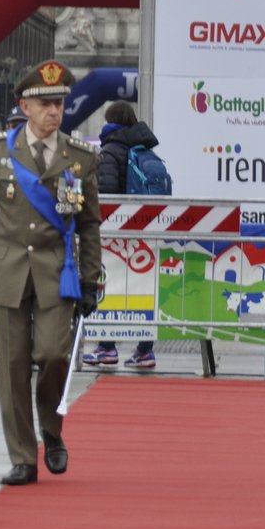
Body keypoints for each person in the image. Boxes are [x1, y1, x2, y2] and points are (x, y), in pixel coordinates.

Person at [0, 61, 102, 486]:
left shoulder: (78, 159)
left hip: (56, 272)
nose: (53, 112)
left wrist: (93, 277)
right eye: (44, 104)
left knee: (53, 356)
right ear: (25, 105)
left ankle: (52, 429)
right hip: (7, 271)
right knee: (13, 365)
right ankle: (23, 456)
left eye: (58, 103)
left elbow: (90, 222)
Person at [85, 100, 160, 370]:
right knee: (144, 288)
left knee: (112, 284)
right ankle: (145, 351)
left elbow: (105, 192)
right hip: (146, 230)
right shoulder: (144, 147)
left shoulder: (109, 149)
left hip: (115, 233)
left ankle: (107, 347)